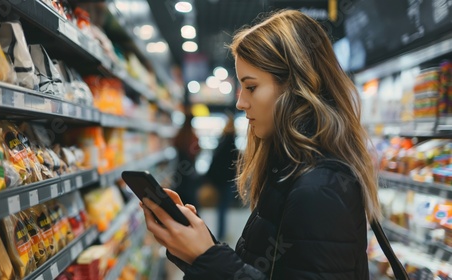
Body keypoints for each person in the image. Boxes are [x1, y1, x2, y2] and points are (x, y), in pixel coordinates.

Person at [140, 9, 380, 279]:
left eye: (251, 87)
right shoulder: (290, 170)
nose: (241, 103)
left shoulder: (320, 187)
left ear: (296, 88)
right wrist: (199, 248)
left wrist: (206, 257)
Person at [204, 113, 239, 240]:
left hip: (220, 180)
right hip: (227, 180)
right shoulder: (231, 143)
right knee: (223, 208)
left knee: (221, 208)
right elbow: (233, 164)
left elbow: (215, 161)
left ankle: (220, 233)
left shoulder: (222, 141)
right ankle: (221, 233)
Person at [172, 110, 201, 209]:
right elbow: (197, 151)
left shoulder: (180, 135)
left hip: (179, 171)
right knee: (191, 201)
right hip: (190, 172)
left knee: (179, 199)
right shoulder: (194, 137)